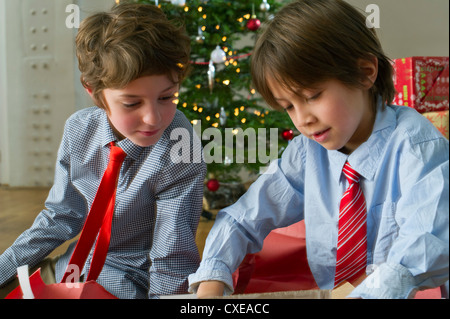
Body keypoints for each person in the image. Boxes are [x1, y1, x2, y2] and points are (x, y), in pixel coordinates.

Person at [188, 0, 449, 299]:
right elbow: (242, 218)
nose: (302, 120)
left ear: (365, 73)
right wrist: (211, 279)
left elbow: (421, 249)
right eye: (288, 107)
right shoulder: (307, 153)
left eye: (313, 96)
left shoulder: (418, 148)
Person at [0, 3, 206, 299]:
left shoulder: (180, 147)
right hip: (71, 268)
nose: (154, 118)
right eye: (132, 103)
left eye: (166, 97)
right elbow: (60, 216)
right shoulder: (78, 129)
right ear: (92, 90)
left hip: (132, 281)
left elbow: (171, 256)